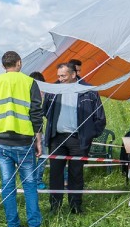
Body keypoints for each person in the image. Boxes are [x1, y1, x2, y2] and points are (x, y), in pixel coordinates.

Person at [0, 52, 43, 227]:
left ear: (3, 65)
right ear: (19, 63)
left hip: (2, 141)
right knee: (30, 185)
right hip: (24, 140)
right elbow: (36, 114)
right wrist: (39, 141)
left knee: (7, 185)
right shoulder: (29, 82)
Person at [43, 62, 106, 215]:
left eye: (63, 76)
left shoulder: (88, 90)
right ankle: (55, 207)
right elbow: (45, 111)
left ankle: (75, 207)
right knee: (55, 174)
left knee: (76, 174)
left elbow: (100, 118)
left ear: (73, 74)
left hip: (78, 140)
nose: (60, 79)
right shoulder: (54, 90)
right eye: (58, 76)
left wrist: (89, 134)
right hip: (57, 138)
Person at [29, 71, 48, 189]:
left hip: (40, 130)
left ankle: (38, 179)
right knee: (30, 157)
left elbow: (43, 113)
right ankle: (31, 180)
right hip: (27, 131)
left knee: (43, 155)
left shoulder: (44, 95)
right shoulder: (25, 94)